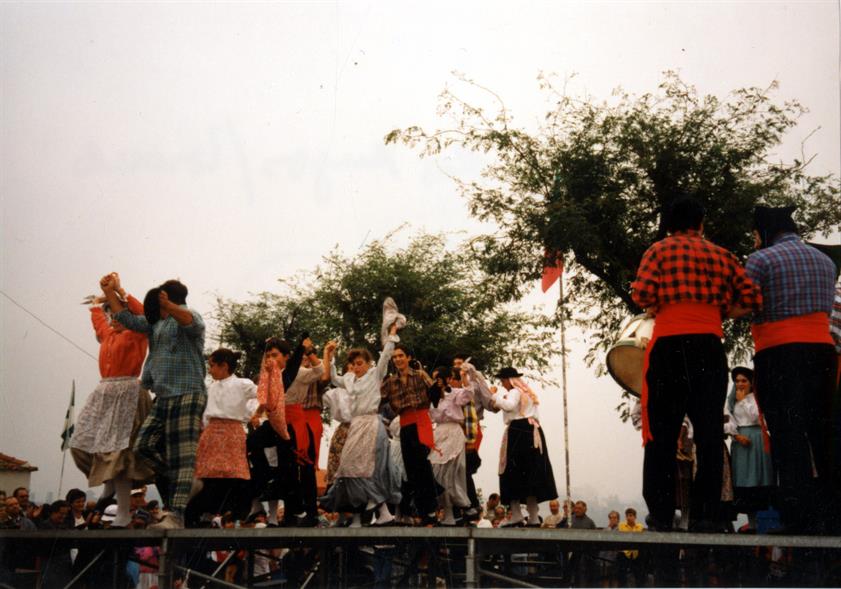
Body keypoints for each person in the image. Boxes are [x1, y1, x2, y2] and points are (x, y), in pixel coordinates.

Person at [631, 196, 762, 531]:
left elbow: (642, 294)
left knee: (661, 433)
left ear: (669, 225)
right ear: (701, 224)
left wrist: (662, 306)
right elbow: (752, 298)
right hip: (708, 345)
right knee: (708, 434)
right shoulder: (722, 255)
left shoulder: (657, 251)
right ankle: (706, 514)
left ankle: (661, 512)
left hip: (669, 346)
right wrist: (718, 312)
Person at [745, 205, 838, 534]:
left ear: (767, 232)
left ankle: (799, 517)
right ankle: (833, 515)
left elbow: (746, 302)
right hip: (823, 353)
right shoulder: (825, 261)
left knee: (789, 436)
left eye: (756, 234)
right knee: (824, 435)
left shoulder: (761, 260)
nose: (755, 241)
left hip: (780, 353)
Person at [103, 276, 207, 529]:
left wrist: (169, 305)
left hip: (188, 394)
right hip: (163, 397)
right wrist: (109, 293)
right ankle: (183, 480)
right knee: (143, 446)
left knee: (184, 458)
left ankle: (176, 515)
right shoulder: (155, 325)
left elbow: (191, 323)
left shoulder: (188, 316)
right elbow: (127, 318)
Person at [71, 274, 154, 528]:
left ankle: (123, 511)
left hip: (127, 391)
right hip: (105, 393)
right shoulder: (108, 334)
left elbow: (146, 315)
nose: (112, 316)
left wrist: (119, 292)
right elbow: (98, 322)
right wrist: (98, 304)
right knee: (81, 443)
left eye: (115, 311)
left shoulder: (137, 333)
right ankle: (107, 485)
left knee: (120, 452)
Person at [320, 323, 402, 527]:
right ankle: (379, 509)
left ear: (367, 363)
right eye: (354, 364)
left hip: (371, 424)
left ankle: (380, 507)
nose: (356, 367)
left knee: (364, 468)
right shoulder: (349, 378)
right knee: (348, 467)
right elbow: (332, 377)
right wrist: (329, 356)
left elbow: (385, 357)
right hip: (356, 426)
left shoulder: (375, 374)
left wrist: (392, 334)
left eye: (360, 363)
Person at [186, 348, 257, 526]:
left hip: (232, 431)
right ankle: (206, 513)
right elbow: (205, 415)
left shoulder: (243, 384)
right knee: (208, 475)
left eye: (212, 366)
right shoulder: (210, 387)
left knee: (233, 474)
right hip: (211, 432)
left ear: (224, 366)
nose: (209, 370)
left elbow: (263, 394)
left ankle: (230, 511)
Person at [246, 336, 306, 526]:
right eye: (269, 355)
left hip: (287, 425)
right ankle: (265, 481)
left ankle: (296, 510)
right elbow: (265, 399)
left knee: (288, 469)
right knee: (250, 442)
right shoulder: (267, 375)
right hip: (273, 422)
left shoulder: (286, 374)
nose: (271, 359)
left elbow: (295, 362)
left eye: (275, 355)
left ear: (284, 357)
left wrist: (302, 346)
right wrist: (257, 413)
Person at [380, 343, 441, 526]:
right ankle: (422, 512)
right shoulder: (390, 382)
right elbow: (377, 400)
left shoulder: (420, 375)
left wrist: (433, 380)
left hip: (421, 421)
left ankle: (430, 510)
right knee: (411, 471)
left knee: (423, 467)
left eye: (401, 356)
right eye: (395, 357)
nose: (398, 359)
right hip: (405, 424)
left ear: (408, 358)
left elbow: (436, 395)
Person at [275, 342, 332, 526]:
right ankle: (293, 510)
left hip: (309, 420)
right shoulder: (291, 375)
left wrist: (320, 352)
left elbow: (324, 376)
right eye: (302, 357)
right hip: (290, 418)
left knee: (307, 464)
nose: (305, 360)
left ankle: (311, 511)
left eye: (307, 357)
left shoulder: (313, 376)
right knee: (289, 466)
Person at [492, 367, 558, 527]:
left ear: (509, 379)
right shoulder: (527, 392)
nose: (502, 383)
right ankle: (533, 517)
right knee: (531, 474)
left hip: (519, 432)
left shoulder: (515, 392)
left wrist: (494, 394)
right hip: (532, 431)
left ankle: (516, 514)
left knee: (511, 472)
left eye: (503, 380)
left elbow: (508, 406)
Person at [723, 366, 773, 531]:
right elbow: (727, 419)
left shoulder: (756, 398)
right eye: (737, 381)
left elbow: (758, 419)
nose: (740, 384)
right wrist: (736, 435)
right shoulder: (731, 400)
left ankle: (758, 523)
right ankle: (750, 524)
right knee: (744, 481)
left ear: (751, 383)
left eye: (744, 380)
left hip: (757, 440)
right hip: (741, 442)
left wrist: (744, 400)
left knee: (757, 479)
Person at [427, 366, 472, 525]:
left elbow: (467, 395)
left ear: (446, 378)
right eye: (434, 377)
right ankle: (447, 513)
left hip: (453, 432)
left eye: (439, 377)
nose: (436, 380)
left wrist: (466, 378)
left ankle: (453, 512)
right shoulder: (432, 395)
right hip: (438, 433)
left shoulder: (454, 393)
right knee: (436, 472)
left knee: (448, 473)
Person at [618, 508, 645, 587]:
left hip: (636, 553)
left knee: (639, 574)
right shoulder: (622, 525)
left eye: (631, 515)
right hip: (625, 552)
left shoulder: (640, 526)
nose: (628, 517)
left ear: (635, 517)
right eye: (627, 516)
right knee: (621, 573)